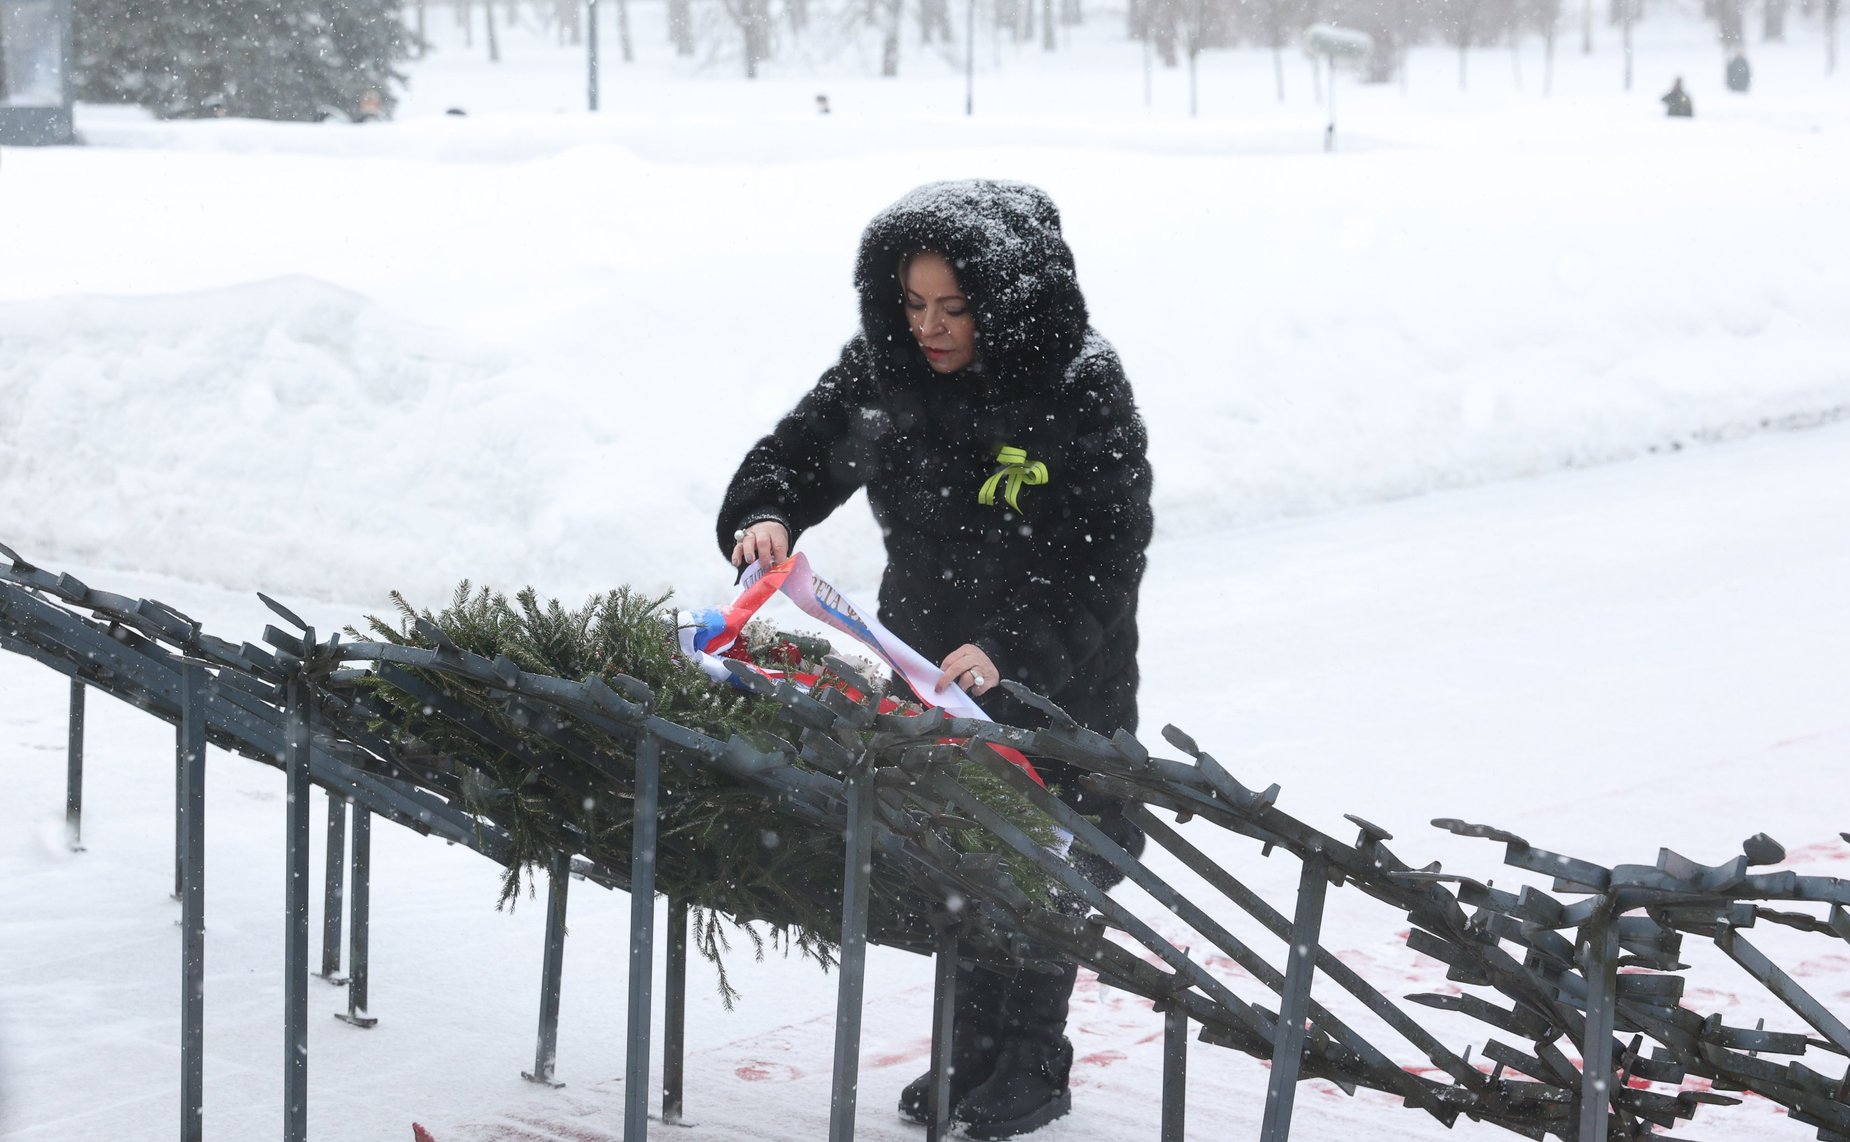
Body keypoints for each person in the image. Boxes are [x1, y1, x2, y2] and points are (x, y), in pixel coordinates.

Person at [715, 179, 1153, 1139]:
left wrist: (1010, 652)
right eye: (912, 304)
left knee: (1041, 858)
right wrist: (766, 511)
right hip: (922, 659)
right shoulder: (886, 372)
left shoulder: (1078, 386)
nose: (929, 327)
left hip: (1055, 673)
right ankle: (968, 1049)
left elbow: (1104, 556)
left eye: (954, 307)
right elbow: (798, 452)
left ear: (1006, 302)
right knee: (956, 845)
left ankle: (1032, 1061)